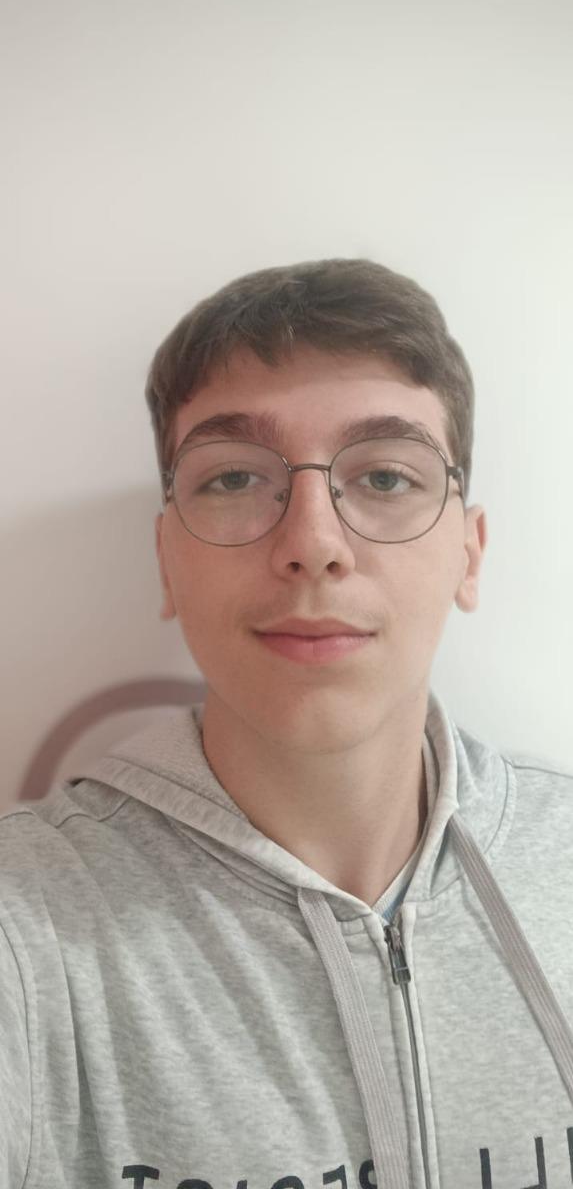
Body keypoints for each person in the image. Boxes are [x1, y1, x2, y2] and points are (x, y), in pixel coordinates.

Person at [1, 258, 573, 1189]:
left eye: (384, 475)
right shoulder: (24, 928)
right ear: (166, 560)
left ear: (468, 555)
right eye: (233, 478)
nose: (311, 543)